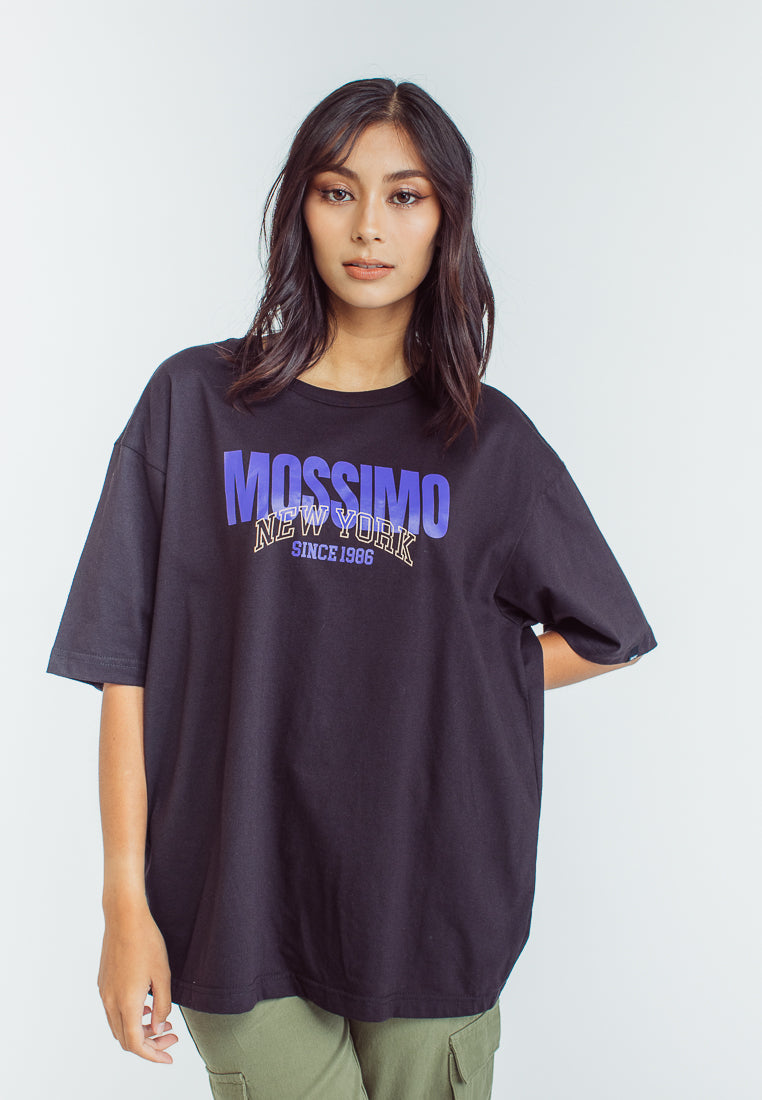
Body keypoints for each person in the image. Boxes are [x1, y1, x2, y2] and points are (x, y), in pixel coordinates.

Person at [46, 77, 657, 1099]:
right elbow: (123, 664)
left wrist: (457, 668)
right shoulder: (194, 405)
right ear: (301, 206)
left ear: (446, 220)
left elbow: (609, 631)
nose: (370, 224)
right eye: (339, 191)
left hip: (432, 905)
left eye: (405, 196)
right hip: (232, 900)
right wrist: (122, 902)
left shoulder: (490, 445)